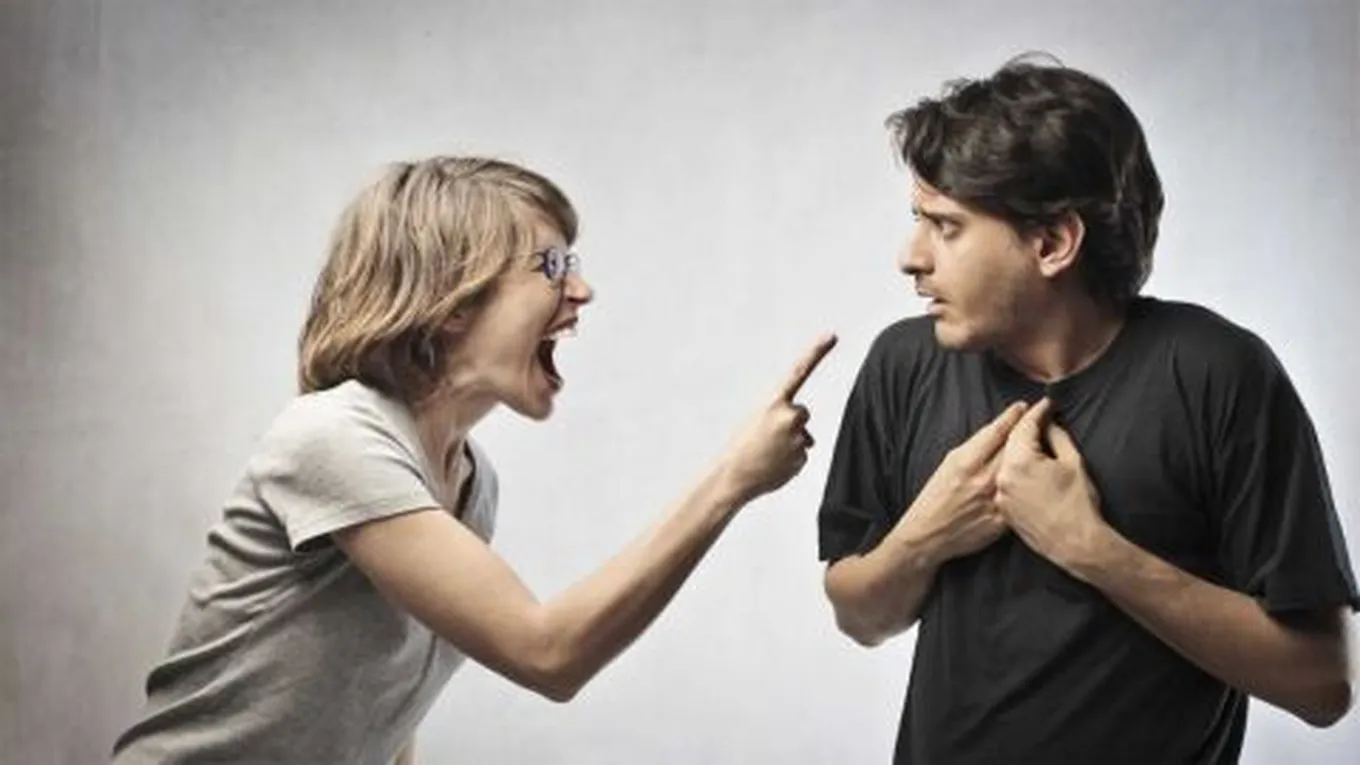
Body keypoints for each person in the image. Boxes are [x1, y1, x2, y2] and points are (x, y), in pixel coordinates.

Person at [112, 156, 837, 764]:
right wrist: (731, 480)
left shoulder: (468, 482)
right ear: (452, 300)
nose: (582, 289)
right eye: (552, 264)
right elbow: (549, 654)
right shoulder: (335, 435)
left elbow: (385, 706)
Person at [817, 57, 1357, 765]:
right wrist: (925, 536)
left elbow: (1323, 682)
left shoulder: (1218, 375)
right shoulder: (904, 364)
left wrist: (1091, 548)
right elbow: (858, 615)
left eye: (946, 227)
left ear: (1052, 243)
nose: (910, 257)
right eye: (918, 220)